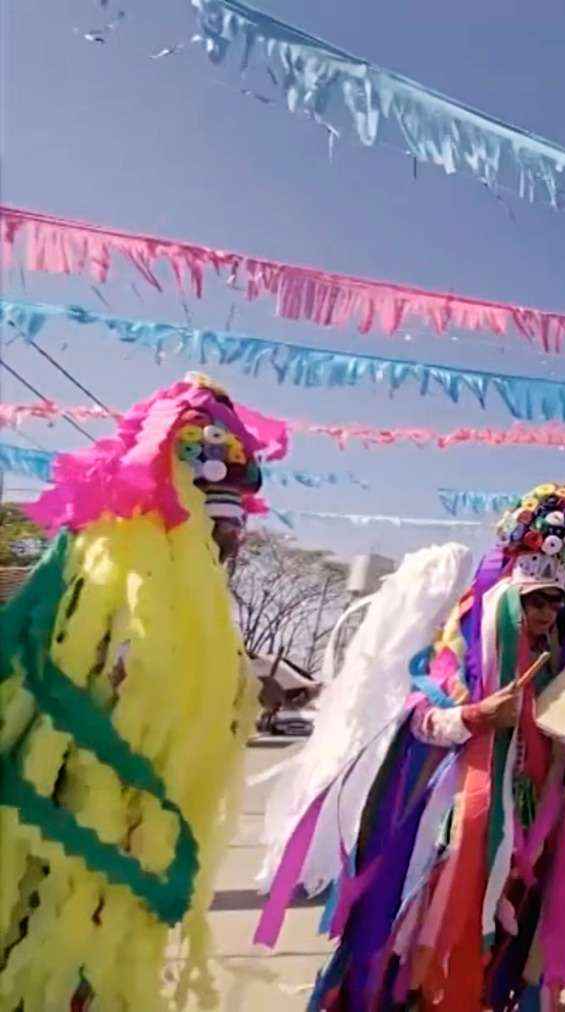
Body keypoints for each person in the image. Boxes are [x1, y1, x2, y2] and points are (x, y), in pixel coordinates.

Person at [258, 482, 565, 1011]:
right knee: (431, 933)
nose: (549, 609)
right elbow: (419, 719)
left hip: (530, 825)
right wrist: (475, 715)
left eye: (557, 598)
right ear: (512, 593)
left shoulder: (563, 667)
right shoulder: (464, 647)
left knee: (505, 932)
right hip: (457, 819)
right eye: (536, 598)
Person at [0, 373, 287, 1010]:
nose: (226, 552)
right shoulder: (92, 608)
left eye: (233, 539)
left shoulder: (202, 625)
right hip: (55, 851)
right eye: (217, 536)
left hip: (131, 861)